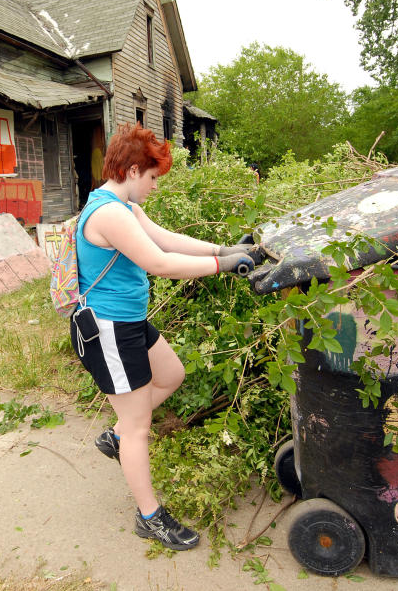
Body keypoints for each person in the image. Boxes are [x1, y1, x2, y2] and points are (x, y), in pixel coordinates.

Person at [70, 123, 258, 550]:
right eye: (153, 177)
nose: (155, 186)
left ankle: (118, 435)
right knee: (139, 426)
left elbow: (165, 239)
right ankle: (150, 517)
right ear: (133, 170)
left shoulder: (125, 208)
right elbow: (161, 262)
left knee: (171, 374)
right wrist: (224, 268)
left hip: (129, 323)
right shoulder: (108, 213)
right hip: (108, 330)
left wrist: (221, 249)